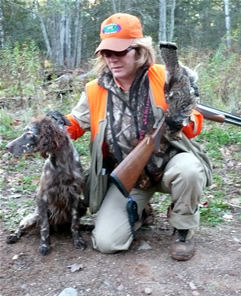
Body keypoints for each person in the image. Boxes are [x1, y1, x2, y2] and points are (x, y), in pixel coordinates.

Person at [65, 13, 213, 261]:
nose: (113, 59)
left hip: (169, 167)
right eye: (107, 53)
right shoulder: (94, 89)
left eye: (121, 52)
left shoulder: (163, 76)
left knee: (189, 169)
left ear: (139, 51)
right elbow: (74, 124)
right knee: (106, 242)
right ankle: (140, 212)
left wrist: (181, 118)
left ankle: (183, 229)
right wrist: (53, 126)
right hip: (129, 177)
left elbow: (195, 119)